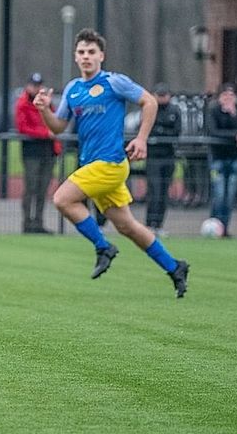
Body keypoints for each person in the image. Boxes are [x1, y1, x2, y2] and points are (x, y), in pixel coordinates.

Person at [34, 28, 189, 298]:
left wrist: (141, 139)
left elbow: (149, 102)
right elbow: (58, 127)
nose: (86, 56)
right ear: (75, 56)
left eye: (91, 52)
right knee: (127, 226)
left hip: (110, 164)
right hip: (93, 166)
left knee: (62, 199)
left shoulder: (113, 82)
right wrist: (44, 109)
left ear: (101, 56)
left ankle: (102, 246)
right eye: (81, 52)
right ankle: (175, 267)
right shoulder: (72, 89)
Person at [15, 72, 61, 234]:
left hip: (48, 150)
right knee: (31, 187)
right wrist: (45, 133)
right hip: (32, 151)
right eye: (34, 85)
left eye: (39, 85)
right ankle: (27, 223)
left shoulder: (46, 103)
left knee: (43, 188)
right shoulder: (22, 104)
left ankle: (39, 222)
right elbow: (23, 127)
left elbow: (54, 119)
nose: (36, 88)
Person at [205, 82, 237, 237]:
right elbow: (214, 131)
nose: (228, 98)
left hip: (234, 157)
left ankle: (224, 228)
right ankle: (214, 224)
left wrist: (233, 115)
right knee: (219, 193)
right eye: (225, 95)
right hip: (217, 157)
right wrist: (234, 135)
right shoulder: (213, 110)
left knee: (230, 196)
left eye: (231, 95)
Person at [144, 83, 181, 234]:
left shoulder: (174, 111)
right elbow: (148, 129)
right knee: (155, 190)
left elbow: (176, 132)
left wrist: (160, 131)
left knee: (164, 192)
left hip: (168, 156)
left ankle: (159, 224)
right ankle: (149, 223)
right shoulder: (150, 109)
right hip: (153, 156)